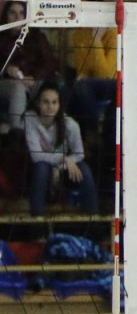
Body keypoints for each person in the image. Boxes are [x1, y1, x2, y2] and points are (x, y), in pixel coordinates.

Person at [25, 81, 99, 216]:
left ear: (59, 105)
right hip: (40, 171)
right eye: (46, 102)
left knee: (84, 170)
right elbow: (36, 156)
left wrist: (60, 167)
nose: (50, 107)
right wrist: (63, 158)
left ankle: (93, 218)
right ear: (38, 104)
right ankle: (36, 222)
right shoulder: (30, 119)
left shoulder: (70, 125)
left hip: (64, 170)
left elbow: (80, 154)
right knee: (41, 168)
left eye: (54, 102)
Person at [0, 0, 60, 135]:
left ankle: (51, 133)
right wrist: (7, 68)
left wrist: (34, 77)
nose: (17, 18)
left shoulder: (37, 37)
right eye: (12, 13)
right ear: (6, 16)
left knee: (51, 88)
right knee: (18, 89)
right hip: (7, 82)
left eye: (21, 13)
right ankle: (17, 135)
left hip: (33, 81)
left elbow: (50, 62)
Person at [68, 0, 118, 133]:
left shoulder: (114, 34)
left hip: (113, 84)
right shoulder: (79, 35)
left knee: (83, 86)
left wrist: (96, 40)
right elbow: (82, 69)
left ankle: (94, 132)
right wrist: (83, 76)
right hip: (89, 82)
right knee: (69, 90)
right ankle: (84, 134)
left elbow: (107, 75)